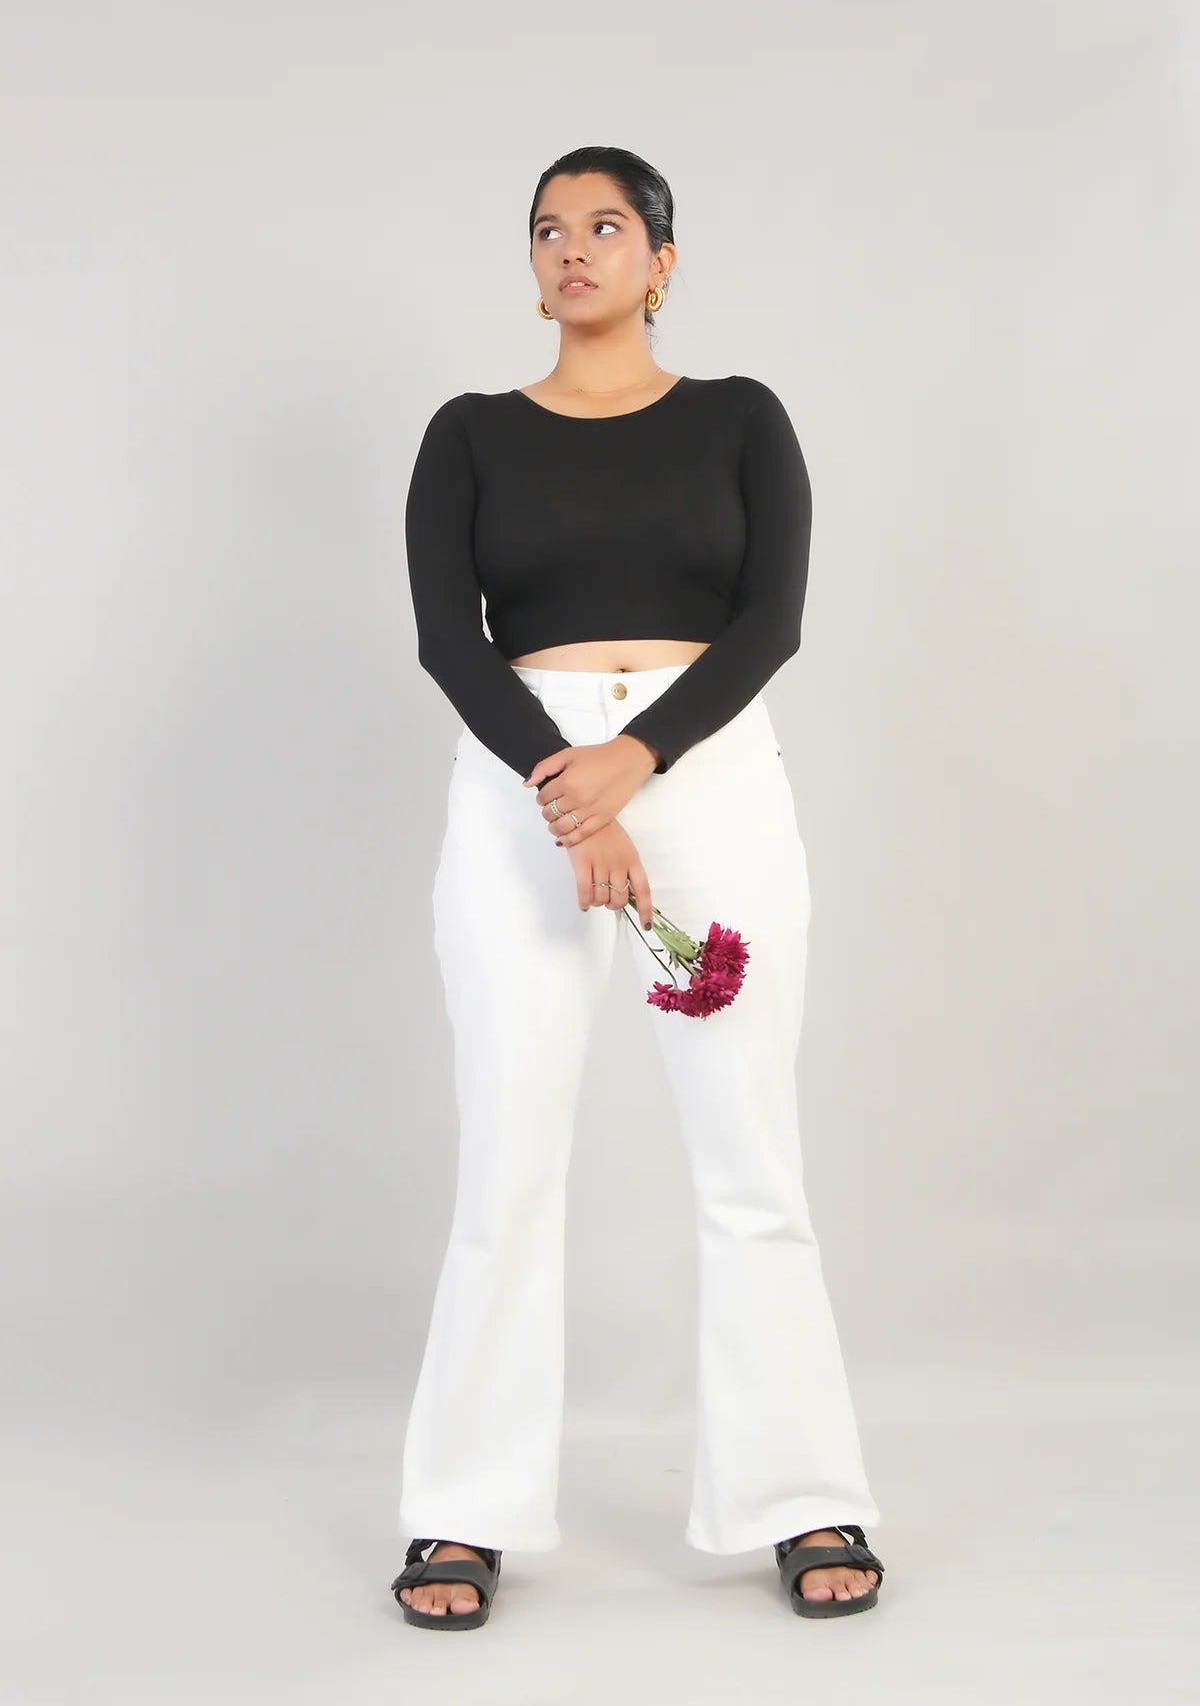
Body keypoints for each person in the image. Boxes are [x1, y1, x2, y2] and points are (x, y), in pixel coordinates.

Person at [390, 147, 885, 1630]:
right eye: (549, 229)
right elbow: (450, 637)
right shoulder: (469, 434)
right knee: (507, 1164)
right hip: (522, 781)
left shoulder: (741, 419)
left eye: (606, 226)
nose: (574, 249)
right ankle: (462, 1509)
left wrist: (637, 760)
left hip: (709, 768)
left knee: (751, 1160)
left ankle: (802, 1494)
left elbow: (772, 618)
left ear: (661, 260)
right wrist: (569, 785)